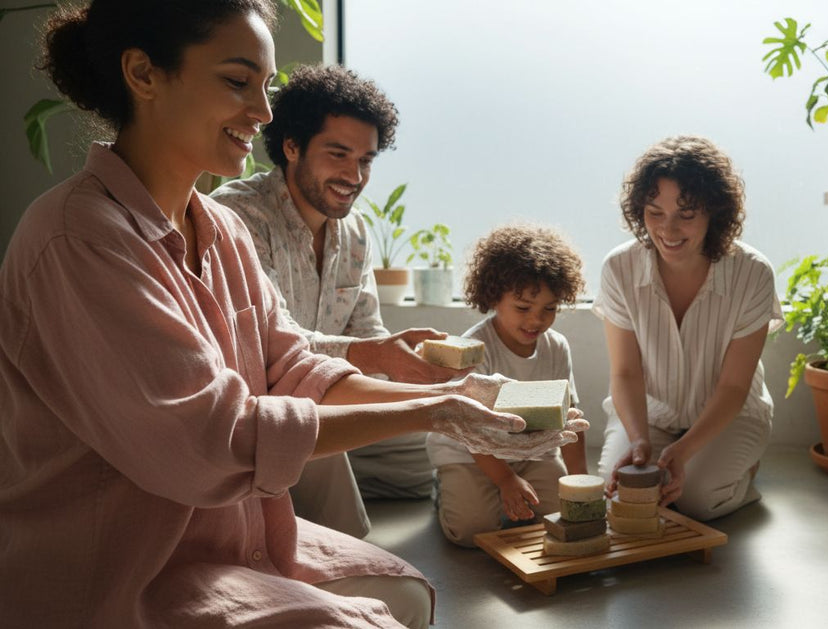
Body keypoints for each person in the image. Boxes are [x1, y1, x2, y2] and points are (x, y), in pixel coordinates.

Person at [0, 2, 583, 626]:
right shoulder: (81, 237)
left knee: (410, 594)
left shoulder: (221, 231)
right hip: (128, 563)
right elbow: (212, 438)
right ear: (143, 74)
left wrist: (451, 394)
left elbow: (291, 364)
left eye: (266, 87)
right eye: (237, 81)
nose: (262, 111)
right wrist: (434, 411)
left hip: (233, 528)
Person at [212, 65, 457, 537]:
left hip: (336, 396)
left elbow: (367, 332)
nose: (354, 175)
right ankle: (317, 505)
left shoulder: (356, 232)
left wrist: (412, 370)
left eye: (366, 160)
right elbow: (269, 348)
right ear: (292, 146)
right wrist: (375, 358)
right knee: (309, 428)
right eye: (338, 154)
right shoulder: (237, 215)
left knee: (436, 448)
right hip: (268, 400)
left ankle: (301, 481)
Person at [594, 135, 781, 522]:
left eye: (687, 214)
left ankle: (744, 473)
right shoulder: (618, 268)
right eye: (654, 212)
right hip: (651, 413)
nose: (668, 228)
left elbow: (734, 387)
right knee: (619, 497)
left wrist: (682, 452)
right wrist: (640, 441)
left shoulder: (753, 273)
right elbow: (625, 373)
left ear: (714, 212)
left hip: (730, 415)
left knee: (696, 501)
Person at [428, 225, 588, 547]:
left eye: (549, 309)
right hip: (471, 452)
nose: (536, 320)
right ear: (494, 297)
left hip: (532, 450)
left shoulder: (556, 346)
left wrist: (581, 483)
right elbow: (471, 429)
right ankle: (443, 488)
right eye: (523, 308)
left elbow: (569, 420)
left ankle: (512, 494)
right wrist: (505, 479)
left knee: (565, 516)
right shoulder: (476, 348)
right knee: (472, 532)